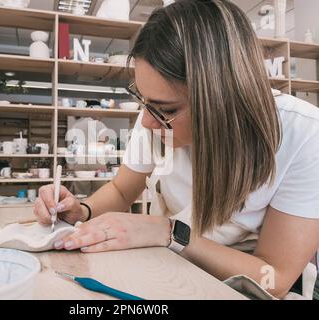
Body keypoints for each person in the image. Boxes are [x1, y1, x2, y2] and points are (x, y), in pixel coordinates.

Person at [34, 0, 319, 299]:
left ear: (222, 100)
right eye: (143, 101)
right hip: (166, 268)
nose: (145, 121)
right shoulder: (155, 116)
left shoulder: (302, 134)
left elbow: (274, 277)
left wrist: (169, 232)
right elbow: (120, 191)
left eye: (164, 108)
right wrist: (82, 209)